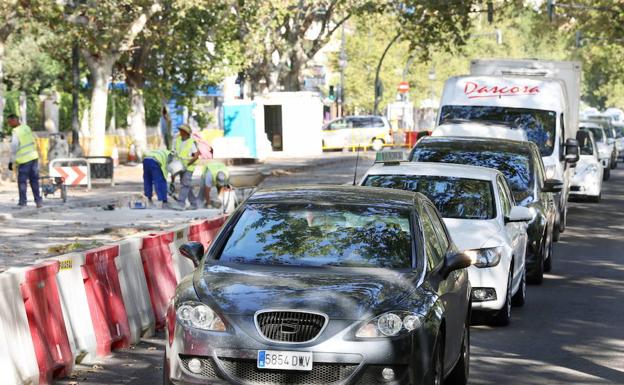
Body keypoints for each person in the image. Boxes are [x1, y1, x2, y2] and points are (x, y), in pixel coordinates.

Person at [7, 114, 42, 208]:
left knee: (22, 181)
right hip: (34, 157)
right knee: (34, 180)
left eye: (10, 122)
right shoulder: (26, 127)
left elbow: (14, 147)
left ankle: (23, 201)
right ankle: (38, 201)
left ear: (15, 120)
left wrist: (11, 161)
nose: (9, 124)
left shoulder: (16, 131)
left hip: (24, 160)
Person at [174, 124, 199, 210]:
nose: (180, 132)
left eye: (181, 130)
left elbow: (196, 156)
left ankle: (181, 203)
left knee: (185, 184)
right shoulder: (177, 141)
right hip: (179, 166)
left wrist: (187, 164)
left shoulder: (192, 142)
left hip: (189, 167)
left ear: (185, 132)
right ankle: (194, 203)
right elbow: (174, 153)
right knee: (186, 185)